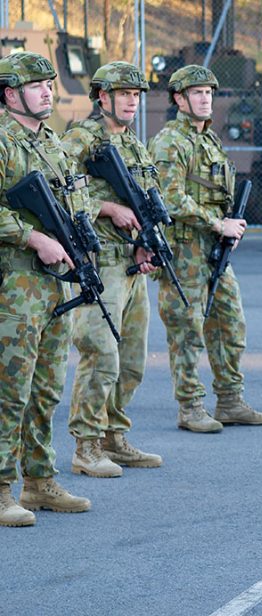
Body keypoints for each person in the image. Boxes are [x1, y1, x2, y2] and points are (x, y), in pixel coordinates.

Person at [149, 64, 262, 433]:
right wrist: (218, 223)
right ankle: (190, 407)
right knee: (186, 331)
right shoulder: (171, 142)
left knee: (230, 325)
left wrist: (228, 226)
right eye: (197, 93)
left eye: (209, 93)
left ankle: (230, 400)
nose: (205, 99)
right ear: (179, 99)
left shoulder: (209, 140)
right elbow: (168, 199)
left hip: (215, 250)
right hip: (185, 252)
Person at [0, 52, 92, 526]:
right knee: (8, 388)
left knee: (47, 387)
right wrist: (32, 236)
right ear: (11, 93)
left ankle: (38, 480)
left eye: (49, 84)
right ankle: (1, 488)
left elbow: (77, 203)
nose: (47, 92)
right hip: (14, 282)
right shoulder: (2, 140)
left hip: (56, 284)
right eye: (36, 85)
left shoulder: (53, 143)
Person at [62, 61, 163, 477]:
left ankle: (114, 436)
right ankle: (86, 445)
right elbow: (58, 191)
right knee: (100, 353)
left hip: (131, 263)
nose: (131, 102)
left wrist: (148, 245)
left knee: (132, 358)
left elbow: (147, 201)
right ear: (102, 97)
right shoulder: (81, 139)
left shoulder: (136, 145)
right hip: (100, 261)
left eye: (136, 95)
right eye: (124, 94)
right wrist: (107, 208)